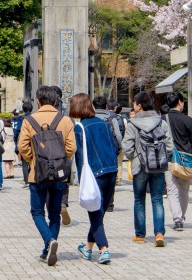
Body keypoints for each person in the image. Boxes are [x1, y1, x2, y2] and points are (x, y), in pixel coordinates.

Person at [18, 85, 77, 266]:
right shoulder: (65, 120)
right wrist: (59, 159)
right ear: (55, 101)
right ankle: (48, 247)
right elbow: (71, 148)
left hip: (38, 174)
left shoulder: (29, 120)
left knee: (37, 211)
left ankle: (49, 241)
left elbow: (22, 147)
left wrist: (34, 160)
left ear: (38, 101)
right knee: (54, 213)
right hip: (59, 175)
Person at [121, 90, 173, 248]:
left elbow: (127, 147)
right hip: (158, 166)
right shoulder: (161, 123)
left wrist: (134, 158)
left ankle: (140, 235)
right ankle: (158, 233)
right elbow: (170, 146)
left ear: (139, 106)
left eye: (135, 104)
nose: (133, 106)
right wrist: (161, 158)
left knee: (139, 200)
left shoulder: (133, 124)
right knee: (157, 199)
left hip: (140, 166)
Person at [70, 93, 117, 265]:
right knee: (99, 214)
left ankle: (104, 249)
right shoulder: (103, 123)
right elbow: (114, 146)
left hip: (94, 174)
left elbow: (80, 157)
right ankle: (88, 247)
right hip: (111, 170)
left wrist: (81, 180)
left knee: (95, 214)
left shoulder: (80, 128)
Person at [164, 90, 192, 231]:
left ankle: (177, 219)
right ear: (180, 103)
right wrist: (191, 156)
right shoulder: (188, 120)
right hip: (185, 160)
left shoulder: (162, 119)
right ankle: (181, 218)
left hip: (169, 159)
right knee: (184, 190)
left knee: (172, 190)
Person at [13, 100, 33, 185]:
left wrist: (16, 141)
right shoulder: (34, 117)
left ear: (23, 109)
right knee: (33, 162)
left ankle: (26, 181)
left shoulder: (21, 118)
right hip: (33, 142)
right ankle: (32, 178)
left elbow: (17, 131)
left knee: (25, 163)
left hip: (24, 142)